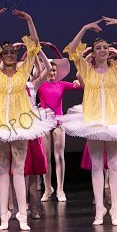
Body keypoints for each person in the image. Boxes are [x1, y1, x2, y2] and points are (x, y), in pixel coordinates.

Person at [0, 8, 56, 231]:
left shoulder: (23, 73)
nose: (10, 55)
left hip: (20, 124)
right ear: (1, 56)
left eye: (13, 52)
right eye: (5, 53)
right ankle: (4, 216)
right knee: (3, 170)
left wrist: (30, 20)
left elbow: (34, 46)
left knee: (19, 169)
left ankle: (22, 215)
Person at [62, 17, 117, 226]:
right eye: (99, 48)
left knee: (114, 165)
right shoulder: (86, 70)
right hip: (93, 121)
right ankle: (99, 210)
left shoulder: (116, 68)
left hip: (114, 120)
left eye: (105, 47)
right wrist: (84, 27)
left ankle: (115, 210)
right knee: (96, 166)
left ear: (110, 51)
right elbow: (72, 50)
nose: (103, 50)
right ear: (93, 53)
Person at [36, 42, 80, 202]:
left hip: (58, 122)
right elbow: (35, 68)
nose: (52, 72)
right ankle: (48, 188)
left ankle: (60, 189)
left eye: (54, 70)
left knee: (59, 156)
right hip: (44, 122)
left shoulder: (61, 84)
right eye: (50, 70)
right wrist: (37, 51)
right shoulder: (39, 85)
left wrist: (77, 82)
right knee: (46, 157)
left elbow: (79, 86)